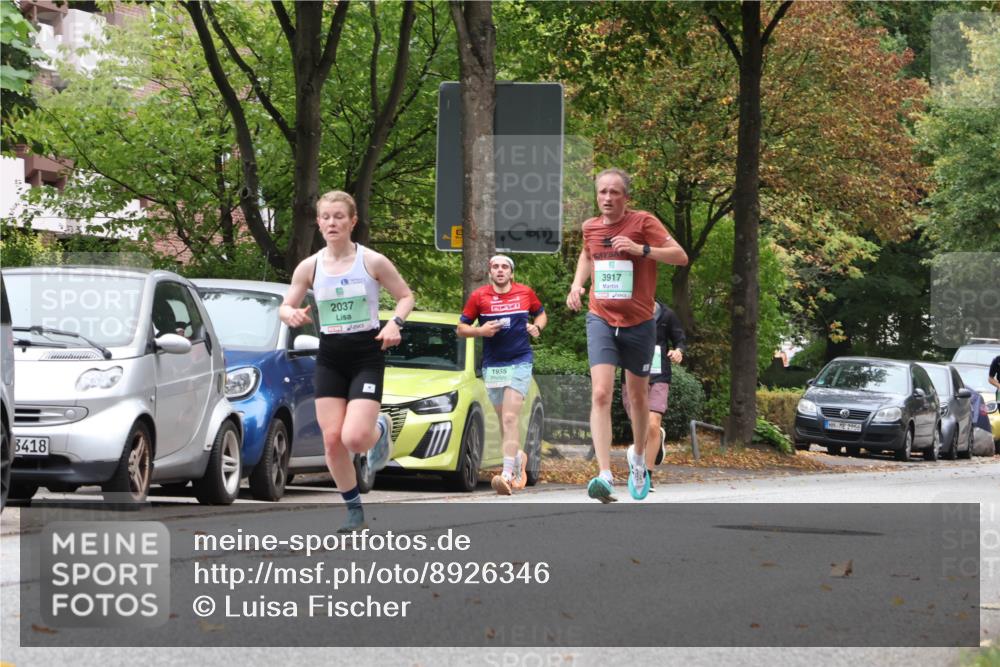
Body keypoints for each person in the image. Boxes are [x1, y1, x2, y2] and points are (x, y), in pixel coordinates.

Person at [280, 190, 414, 532]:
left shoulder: (372, 261)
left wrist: (394, 324)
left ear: (353, 221)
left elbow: (405, 296)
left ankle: (380, 428)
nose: (332, 223)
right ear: (318, 223)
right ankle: (354, 511)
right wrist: (291, 314)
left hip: (366, 353)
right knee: (332, 440)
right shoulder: (309, 267)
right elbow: (285, 306)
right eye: (326, 217)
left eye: (339, 216)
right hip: (330, 356)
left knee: (355, 438)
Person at [565, 168, 688, 502]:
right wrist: (577, 284)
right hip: (600, 317)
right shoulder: (590, 227)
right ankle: (604, 474)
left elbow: (680, 256)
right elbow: (587, 255)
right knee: (601, 393)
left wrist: (641, 249)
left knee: (637, 398)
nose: (607, 198)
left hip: (639, 322)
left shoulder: (644, 222)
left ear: (626, 197)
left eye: (614, 192)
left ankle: (637, 459)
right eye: (602, 192)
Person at [457, 255, 546, 495]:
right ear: (489, 273)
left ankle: (506, 473)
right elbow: (461, 328)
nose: (500, 270)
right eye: (495, 267)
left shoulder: (525, 293)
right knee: (502, 419)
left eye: (504, 267)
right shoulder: (479, 297)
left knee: (509, 417)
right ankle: (517, 456)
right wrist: (480, 330)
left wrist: (536, 326)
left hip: (520, 361)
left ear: (511, 273)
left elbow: (541, 314)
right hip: (493, 365)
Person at [620, 300, 686, 491]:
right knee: (640, 425)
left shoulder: (667, 315)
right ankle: (655, 439)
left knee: (653, 422)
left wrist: (678, 351)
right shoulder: (626, 310)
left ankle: (646, 475)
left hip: (658, 375)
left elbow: (680, 340)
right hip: (631, 373)